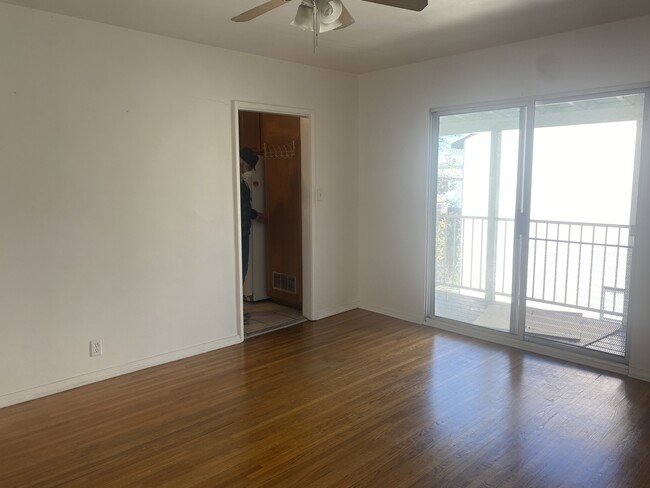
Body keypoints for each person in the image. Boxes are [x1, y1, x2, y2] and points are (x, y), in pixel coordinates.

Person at [239, 146, 264, 284]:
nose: (248, 172)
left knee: (243, 269)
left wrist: (254, 215)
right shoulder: (232, 182)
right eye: (248, 168)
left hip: (243, 233)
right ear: (242, 164)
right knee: (240, 270)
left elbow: (244, 207)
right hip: (237, 236)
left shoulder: (243, 183)